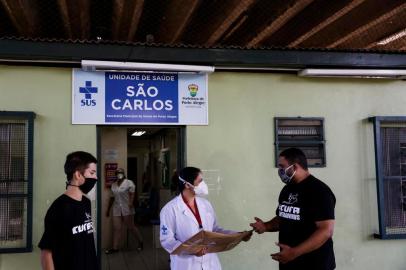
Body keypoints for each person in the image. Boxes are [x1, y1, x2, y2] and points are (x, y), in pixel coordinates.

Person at [250, 147, 336, 270]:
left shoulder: (319, 191)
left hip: (315, 264)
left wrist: (294, 252)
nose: (280, 171)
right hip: (289, 263)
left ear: (294, 167)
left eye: (282, 166)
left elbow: (326, 231)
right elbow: (283, 218)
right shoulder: (287, 189)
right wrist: (266, 226)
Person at [160, 166, 251, 270]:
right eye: (200, 181)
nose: (203, 184)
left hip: (210, 264)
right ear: (187, 185)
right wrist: (191, 250)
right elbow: (167, 241)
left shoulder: (206, 204)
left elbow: (215, 230)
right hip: (186, 265)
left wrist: (237, 235)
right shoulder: (170, 209)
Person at [39, 151, 98, 270]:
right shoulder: (59, 207)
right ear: (77, 174)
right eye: (92, 173)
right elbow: (46, 252)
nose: (95, 177)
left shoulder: (86, 203)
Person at [105, 168, 143, 254]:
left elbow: (132, 193)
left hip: (127, 208)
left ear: (123, 173)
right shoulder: (113, 185)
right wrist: (108, 210)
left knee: (131, 227)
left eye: (121, 173)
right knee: (117, 228)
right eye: (118, 173)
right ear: (116, 174)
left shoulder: (129, 183)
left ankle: (140, 241)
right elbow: (112, 198)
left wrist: (131, 202)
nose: (119, 174)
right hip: (116, 208)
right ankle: (115, 248)